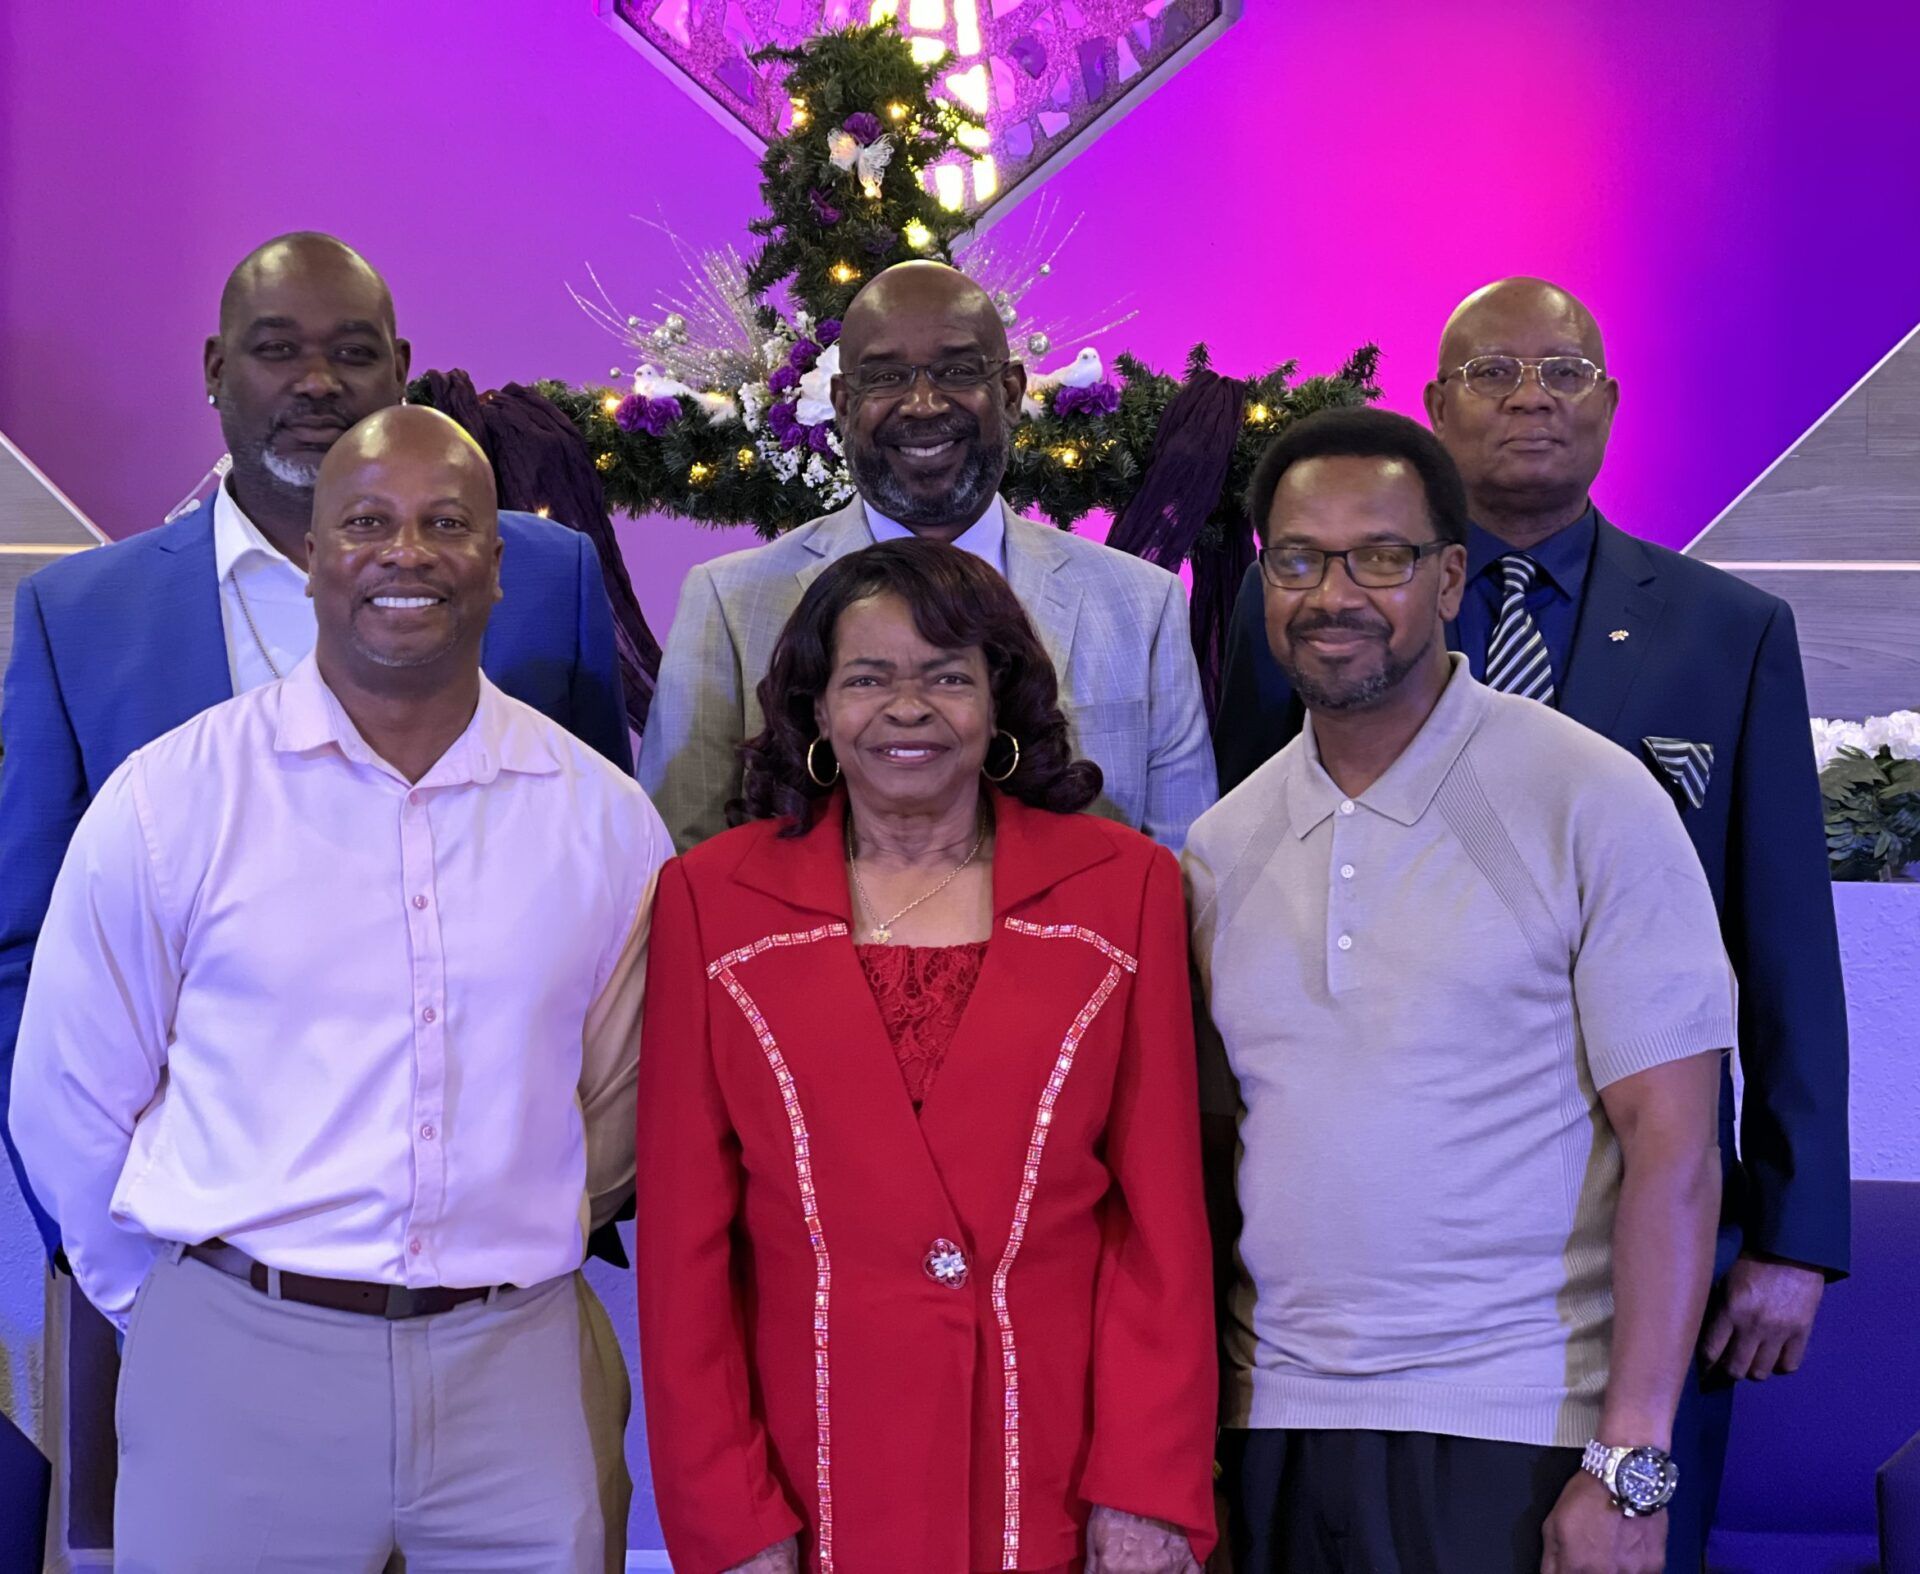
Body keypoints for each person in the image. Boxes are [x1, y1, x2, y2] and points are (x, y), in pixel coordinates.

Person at [1209, 279, 1849, 1566]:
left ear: (1444, 578)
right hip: (1286, 1409)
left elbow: (1779, 950)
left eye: (1381, 557)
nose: (1337, 592)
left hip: (1537, 1387)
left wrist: (1792, 1232)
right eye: (1301, 561)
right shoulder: (1223, 841)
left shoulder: (1659, 709)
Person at [9, 406, 668, 1570]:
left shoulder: (602, 818)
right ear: (310, 559)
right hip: (238, 1358)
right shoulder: (175, 801)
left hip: (514, 1365)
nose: (404, 552)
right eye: (366, 521)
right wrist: (171, 1315)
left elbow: (620, 1095)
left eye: (444, 523)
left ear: (497, 564)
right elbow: (68, 1094)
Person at [0, 231, 632, 1258]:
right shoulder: (83, 613)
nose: (316, 381)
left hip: (492, 1262)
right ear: (215, 369)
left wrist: (575, 1195)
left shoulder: (543, 576)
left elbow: (609, 913)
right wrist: (98, 1234)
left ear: (401, 368)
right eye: (276, 349)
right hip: (191, 1249)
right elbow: (24, 948)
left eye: (352, 351)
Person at [635, 538, 1216, 1573]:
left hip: (1055, 1482)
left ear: (999, 699)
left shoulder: (1124, 887)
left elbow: (1159, 1223)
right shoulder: (709, 899)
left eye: (948, 675)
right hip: (810, 1484)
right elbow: (685, 1250)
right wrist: (728, 1514)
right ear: (816, 707)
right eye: (868, 678)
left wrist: (1147, 1486)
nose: (909, 708)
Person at [638, 259, 1215, 854]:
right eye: (885, 378)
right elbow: (684, 862)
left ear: (1012, 393)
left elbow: (1181, 872)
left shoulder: (1142, 604)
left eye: (957, 370)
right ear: (841, 404)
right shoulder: (730, 603)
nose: (922, 404)